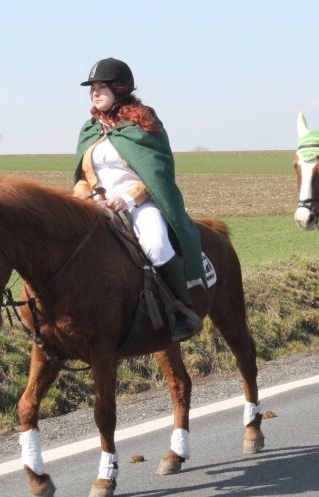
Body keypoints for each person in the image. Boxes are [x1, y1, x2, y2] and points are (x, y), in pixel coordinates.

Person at [72, 57, 203, 342]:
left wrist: (128, 199)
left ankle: (182, 311)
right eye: (92, 88)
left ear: (119, 88)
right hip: (98, 205)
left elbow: (158, 174)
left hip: (140, 202)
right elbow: (83, 177)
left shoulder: (143, 123)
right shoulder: (91, 129)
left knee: (155, 245)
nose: (94, 93)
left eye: (101, 86)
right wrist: (78, 199)